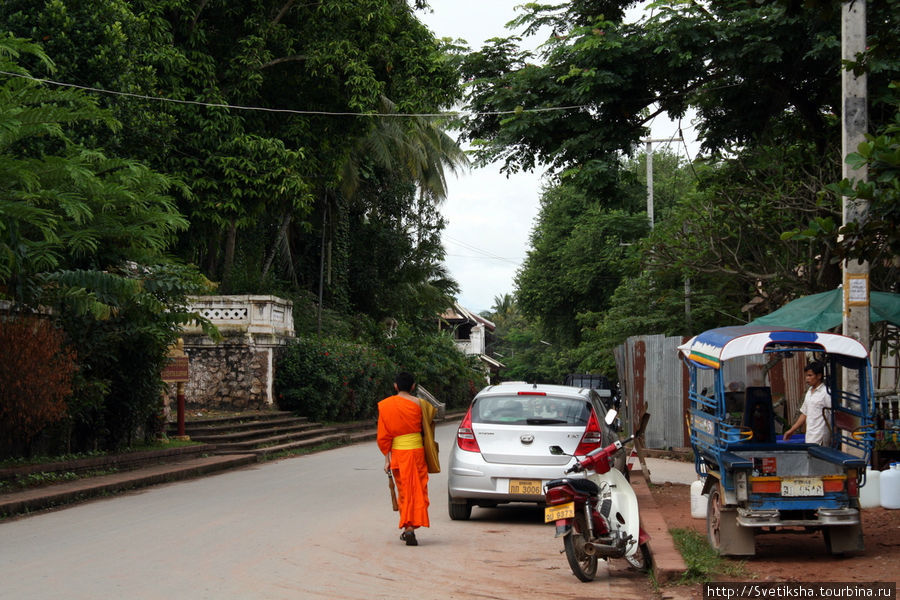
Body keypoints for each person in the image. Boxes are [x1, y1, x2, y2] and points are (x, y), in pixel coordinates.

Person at [377, 372, 431, 546]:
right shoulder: (421, 404)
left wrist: (387, 460)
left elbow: (384, 437)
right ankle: (411, 526)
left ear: (395, 386)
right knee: (417, 489)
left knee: (403, 492)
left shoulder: (386, 405)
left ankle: (408, 527)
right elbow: (428, 431)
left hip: (399, 454)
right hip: (417, 453)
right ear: (413, 386)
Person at [782, 361, 830, 445]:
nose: (807, 378)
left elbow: (834, 414)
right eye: (806, 376)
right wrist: (791, 430)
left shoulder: (826, 393)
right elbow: (804, 413)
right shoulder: (809, 392)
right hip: (810, 437)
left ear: (819, 376)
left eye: (810, 375)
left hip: (821, 439)